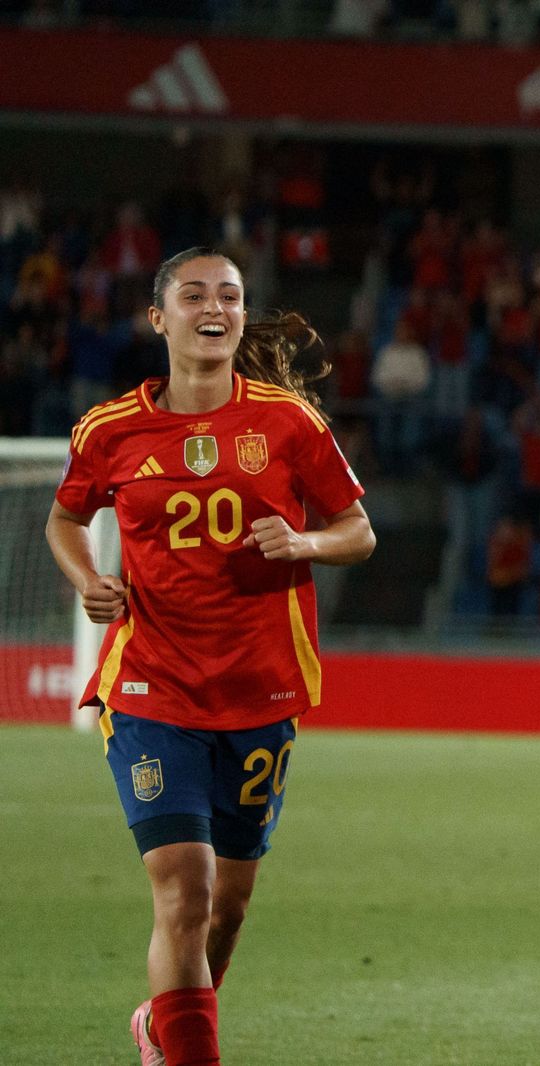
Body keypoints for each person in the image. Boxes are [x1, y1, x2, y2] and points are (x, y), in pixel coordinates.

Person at [46, 248, 375, 1066]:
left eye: (228, 294)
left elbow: (359, 532)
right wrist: (89, 577)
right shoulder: (109, 428)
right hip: (151, 686)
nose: (214, 307)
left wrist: (302, 540)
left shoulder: (289, 423)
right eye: (193, 295)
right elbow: (64, 520)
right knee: (183, 892)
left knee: (225, 908)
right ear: (159, 319)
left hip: (262, 690)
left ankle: (167, 1023)